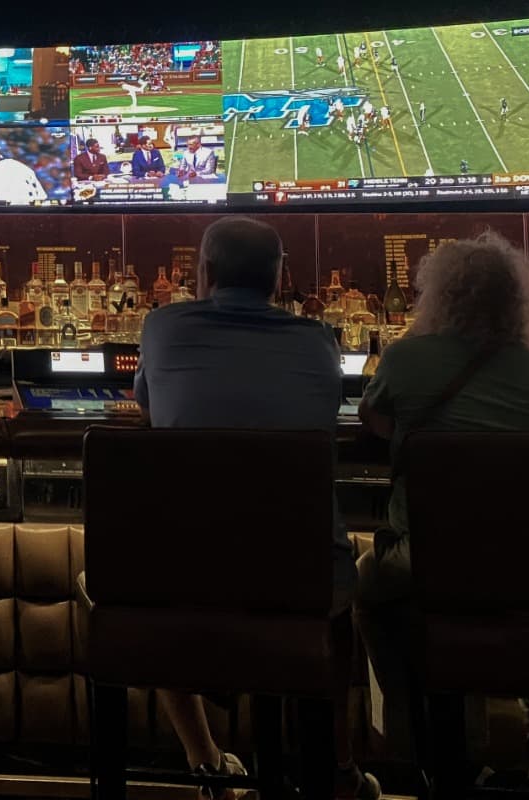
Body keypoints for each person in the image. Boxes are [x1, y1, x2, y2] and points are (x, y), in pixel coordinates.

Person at [132, 216, 380, 800]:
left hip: (184, 581)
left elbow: (148, 407)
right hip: (303, 584)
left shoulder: (162, 329)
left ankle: (206, 761)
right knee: (341, 585)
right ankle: (335, 765)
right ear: (280, 278)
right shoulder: (320, 342)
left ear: (205, 273)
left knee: (148, 565)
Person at [357, 232, 529, 791]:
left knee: (360, 588)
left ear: (438, 297)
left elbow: (376, 424)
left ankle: (413, 735)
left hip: (427, 561)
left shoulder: (404, 358)